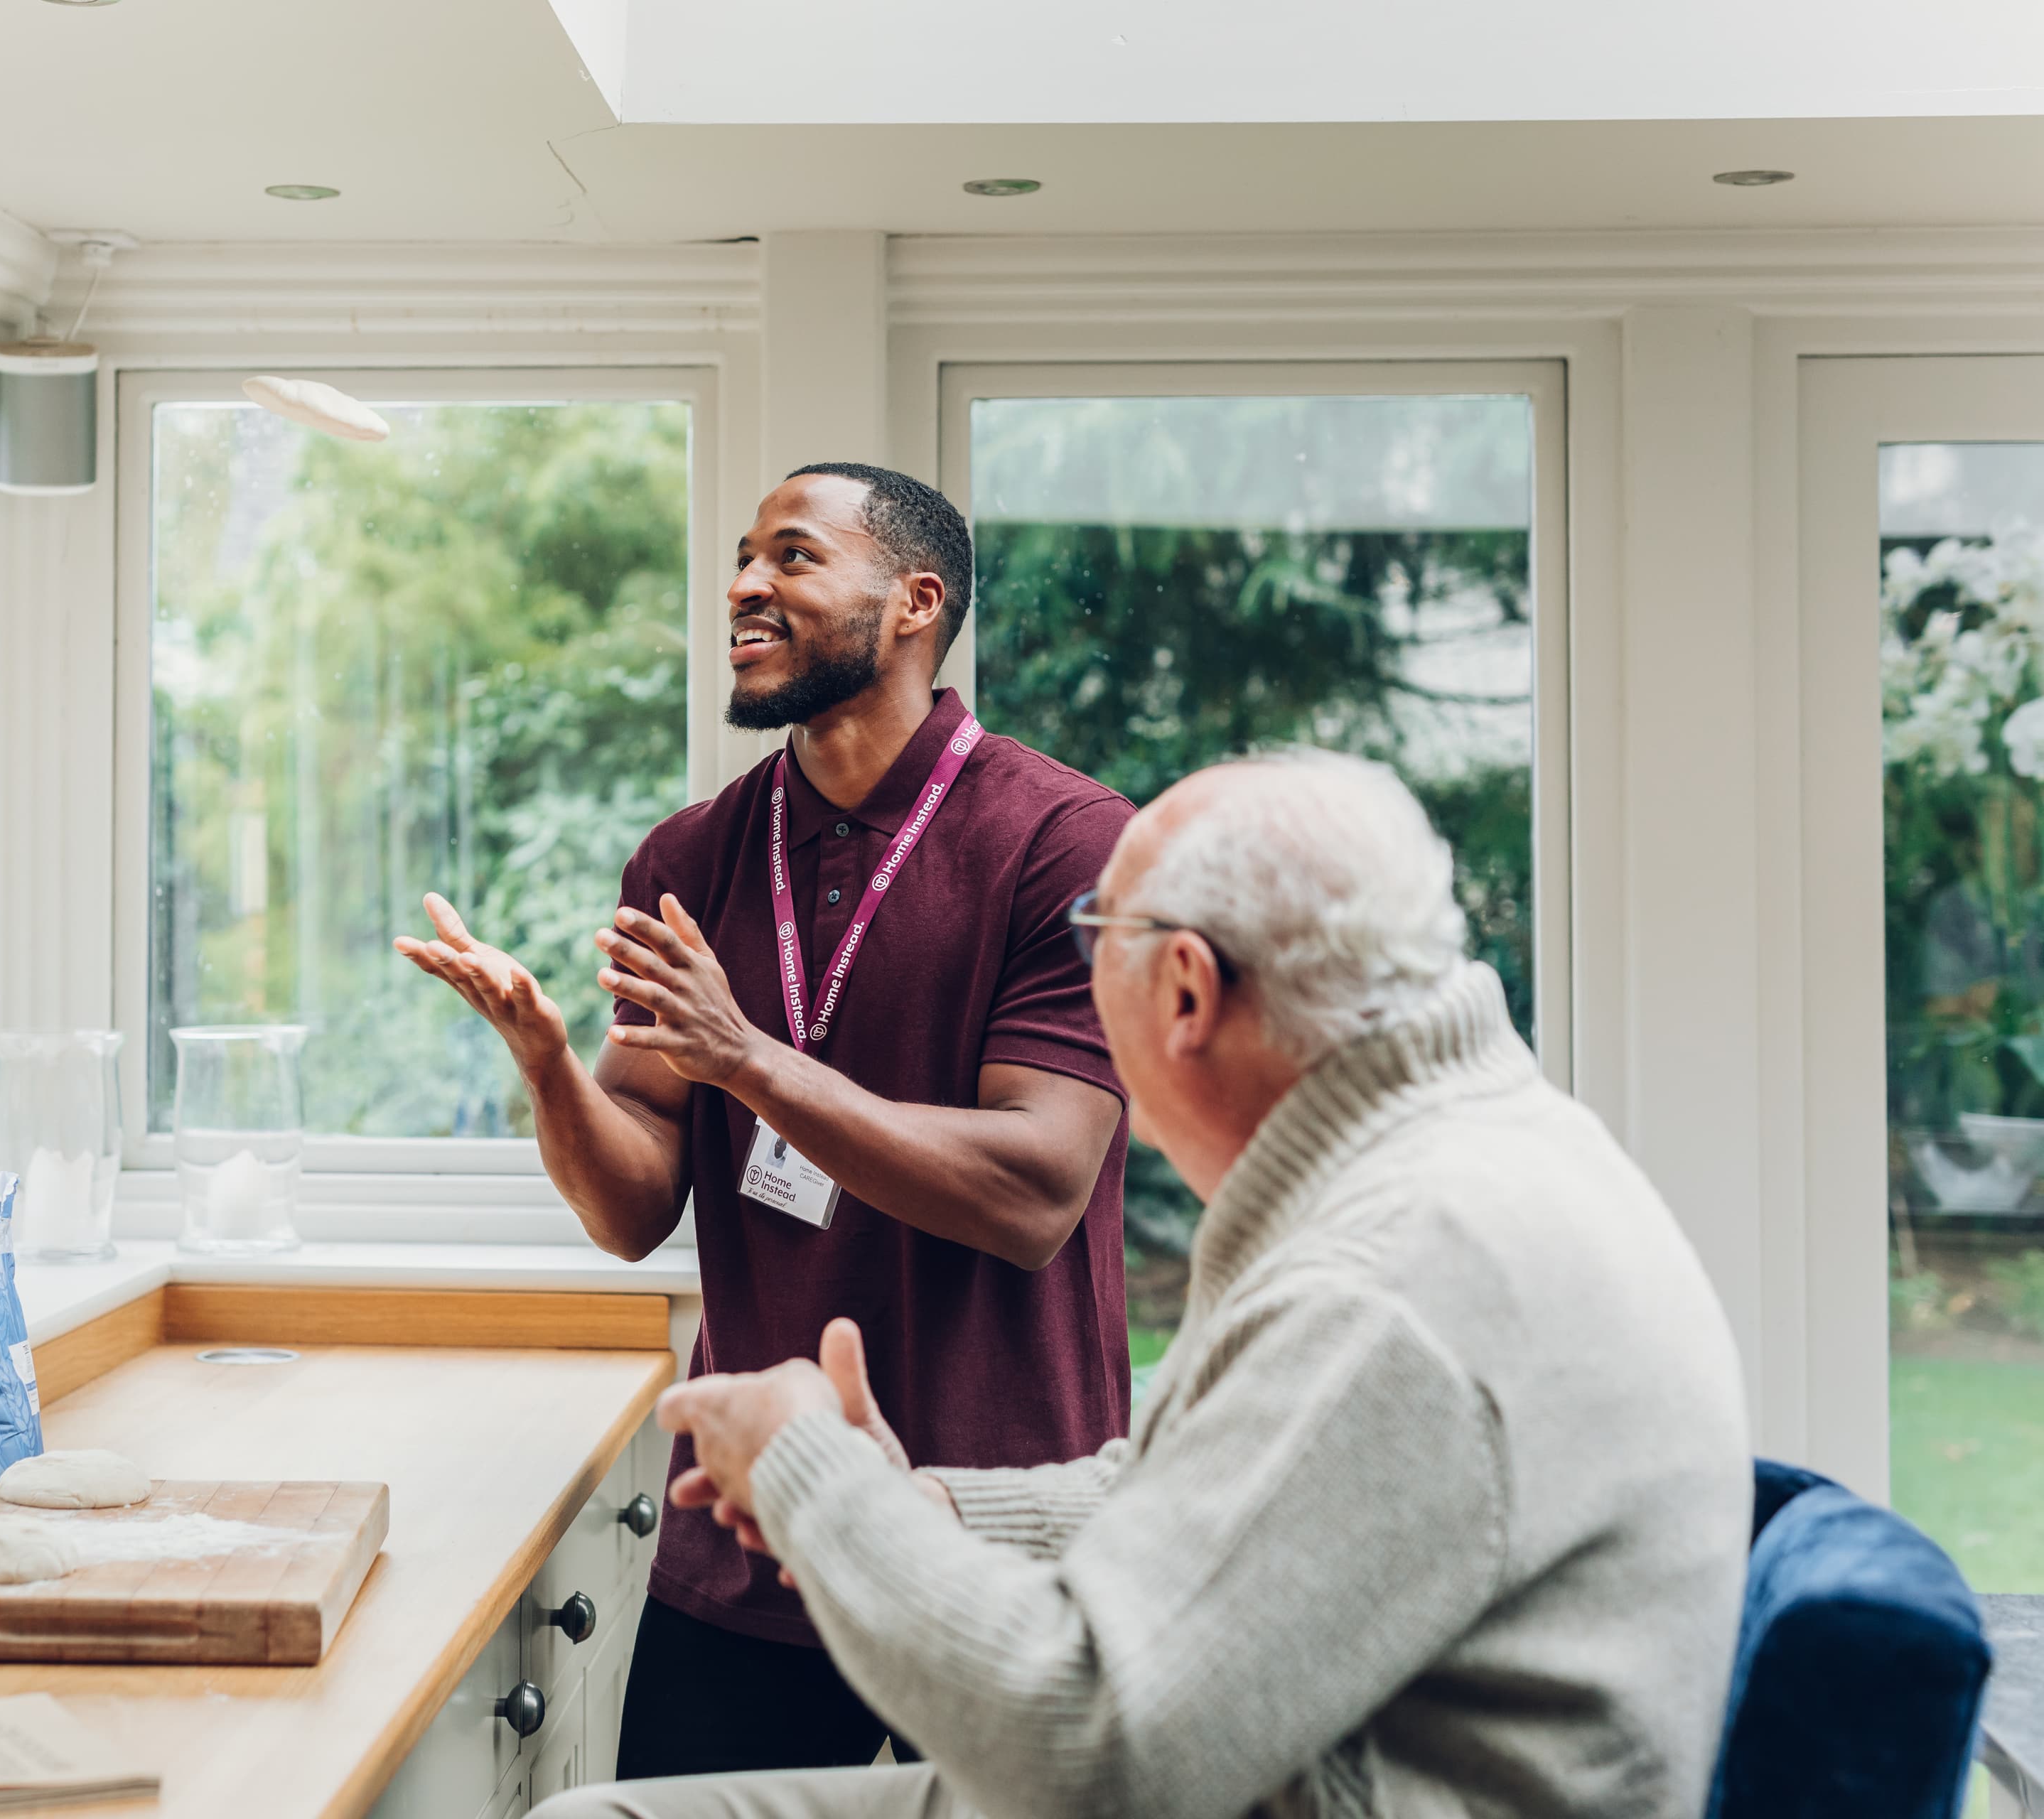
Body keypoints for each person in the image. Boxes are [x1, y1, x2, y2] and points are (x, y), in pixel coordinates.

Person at [539, 751, 1754, 1819]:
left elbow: (1091, 1759)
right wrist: (928, 1506)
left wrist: (812, 1479)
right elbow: (1239, 1490)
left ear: (1182, 991)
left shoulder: (1390, 1281)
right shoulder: (1473, 1154)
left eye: (1091, 945)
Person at [395, 464, 1136, 1778]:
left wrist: (748, 1059)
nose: (744, 585)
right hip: (747, 1548)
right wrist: (553, 1068)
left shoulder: (1068, 841)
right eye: (742, 558)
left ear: (915, 601)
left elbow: (1035, 1194)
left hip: (996, 1547)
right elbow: (632, 1212)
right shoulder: (689, 860)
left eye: (793, 557)